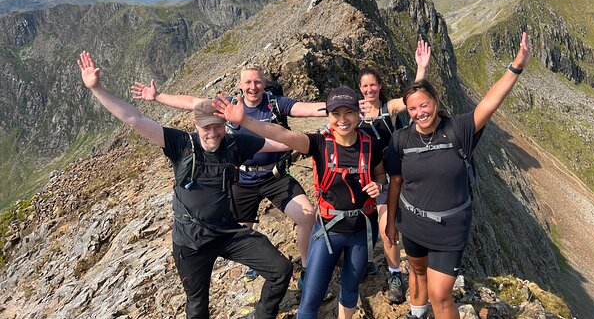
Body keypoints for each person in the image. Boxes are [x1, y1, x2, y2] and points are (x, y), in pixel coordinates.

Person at [78, 51, 292, 319]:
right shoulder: (181, 145)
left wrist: (323, 137)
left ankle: (262, 315)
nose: (213, 133)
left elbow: (280, 142)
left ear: (225, 124)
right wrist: (97, 88)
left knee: (280, 269)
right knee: (197, 306)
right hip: (191, 242)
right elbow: (134, 118)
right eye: (206, 128)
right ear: (195, 124)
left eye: (218, 127)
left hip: (228, 232)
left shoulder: (235, 143)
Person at [130, 65, 325, 283]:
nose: (253, 87)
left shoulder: (275, 104)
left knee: (307, 216)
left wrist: (342, 108)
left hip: (275, 177)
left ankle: (308, 269)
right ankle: (257, 265)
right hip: (240, 179)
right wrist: (157, 96)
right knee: (243, 231)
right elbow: (191, 103)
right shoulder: (229, 106)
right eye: (248, 83)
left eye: (258, 82)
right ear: (240, 85)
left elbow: (307, 109)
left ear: (264, 83)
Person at [384, 33, 530, 319]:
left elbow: (490, 102)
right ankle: (416, 314)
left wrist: (517, 66)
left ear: (435, 102)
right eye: (412, 109)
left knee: (441, 295)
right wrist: (391, 222)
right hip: (411, 223)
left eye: (424, 105)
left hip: (449, 229)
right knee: (416, 272)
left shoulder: (458, 129)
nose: (419, 113)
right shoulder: (400, 139)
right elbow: (396, 183)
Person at [213, 87, 385, 319]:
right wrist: (245, 120)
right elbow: (281, 134)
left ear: (358, 113)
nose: (343, 120)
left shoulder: (372, 144)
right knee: (311, 298)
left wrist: (379, 186)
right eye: (336, 114)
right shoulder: (319, 143)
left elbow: (381, 175)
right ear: (328, 115)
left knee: (351, 289)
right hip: (328, 231)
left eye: (349, 113)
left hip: (363, 231)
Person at [356, 39, 431, 304]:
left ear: (380, 86)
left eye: (373, 85)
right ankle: (390, 271)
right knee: (378, 225)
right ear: (360, 89)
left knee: (400, 224)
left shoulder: (389, 108)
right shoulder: (354, 114)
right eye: (364, 86)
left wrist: (421, 68)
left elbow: (412, 98)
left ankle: (410, 270)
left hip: (398, 175)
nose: (369, 90)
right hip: (372, 180)